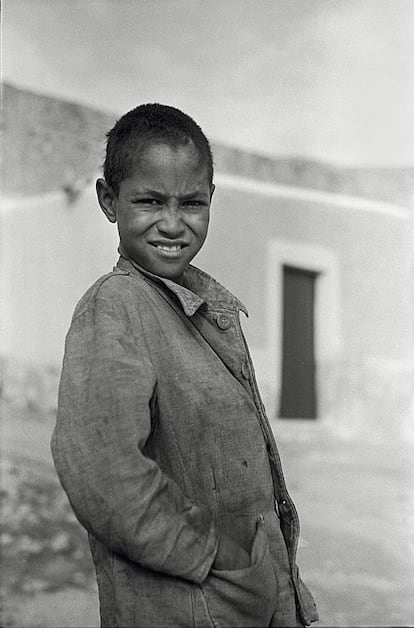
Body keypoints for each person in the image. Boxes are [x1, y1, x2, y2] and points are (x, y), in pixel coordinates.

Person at [51, 103, 318, 628]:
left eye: (192, 203)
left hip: (244, 599)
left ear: (211, 200)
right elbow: (103, 473)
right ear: (109, 200)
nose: (172, 224)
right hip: (189, 606)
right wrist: (217, 555)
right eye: (149, 201)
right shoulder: (117, 307)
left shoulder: (201, 305)